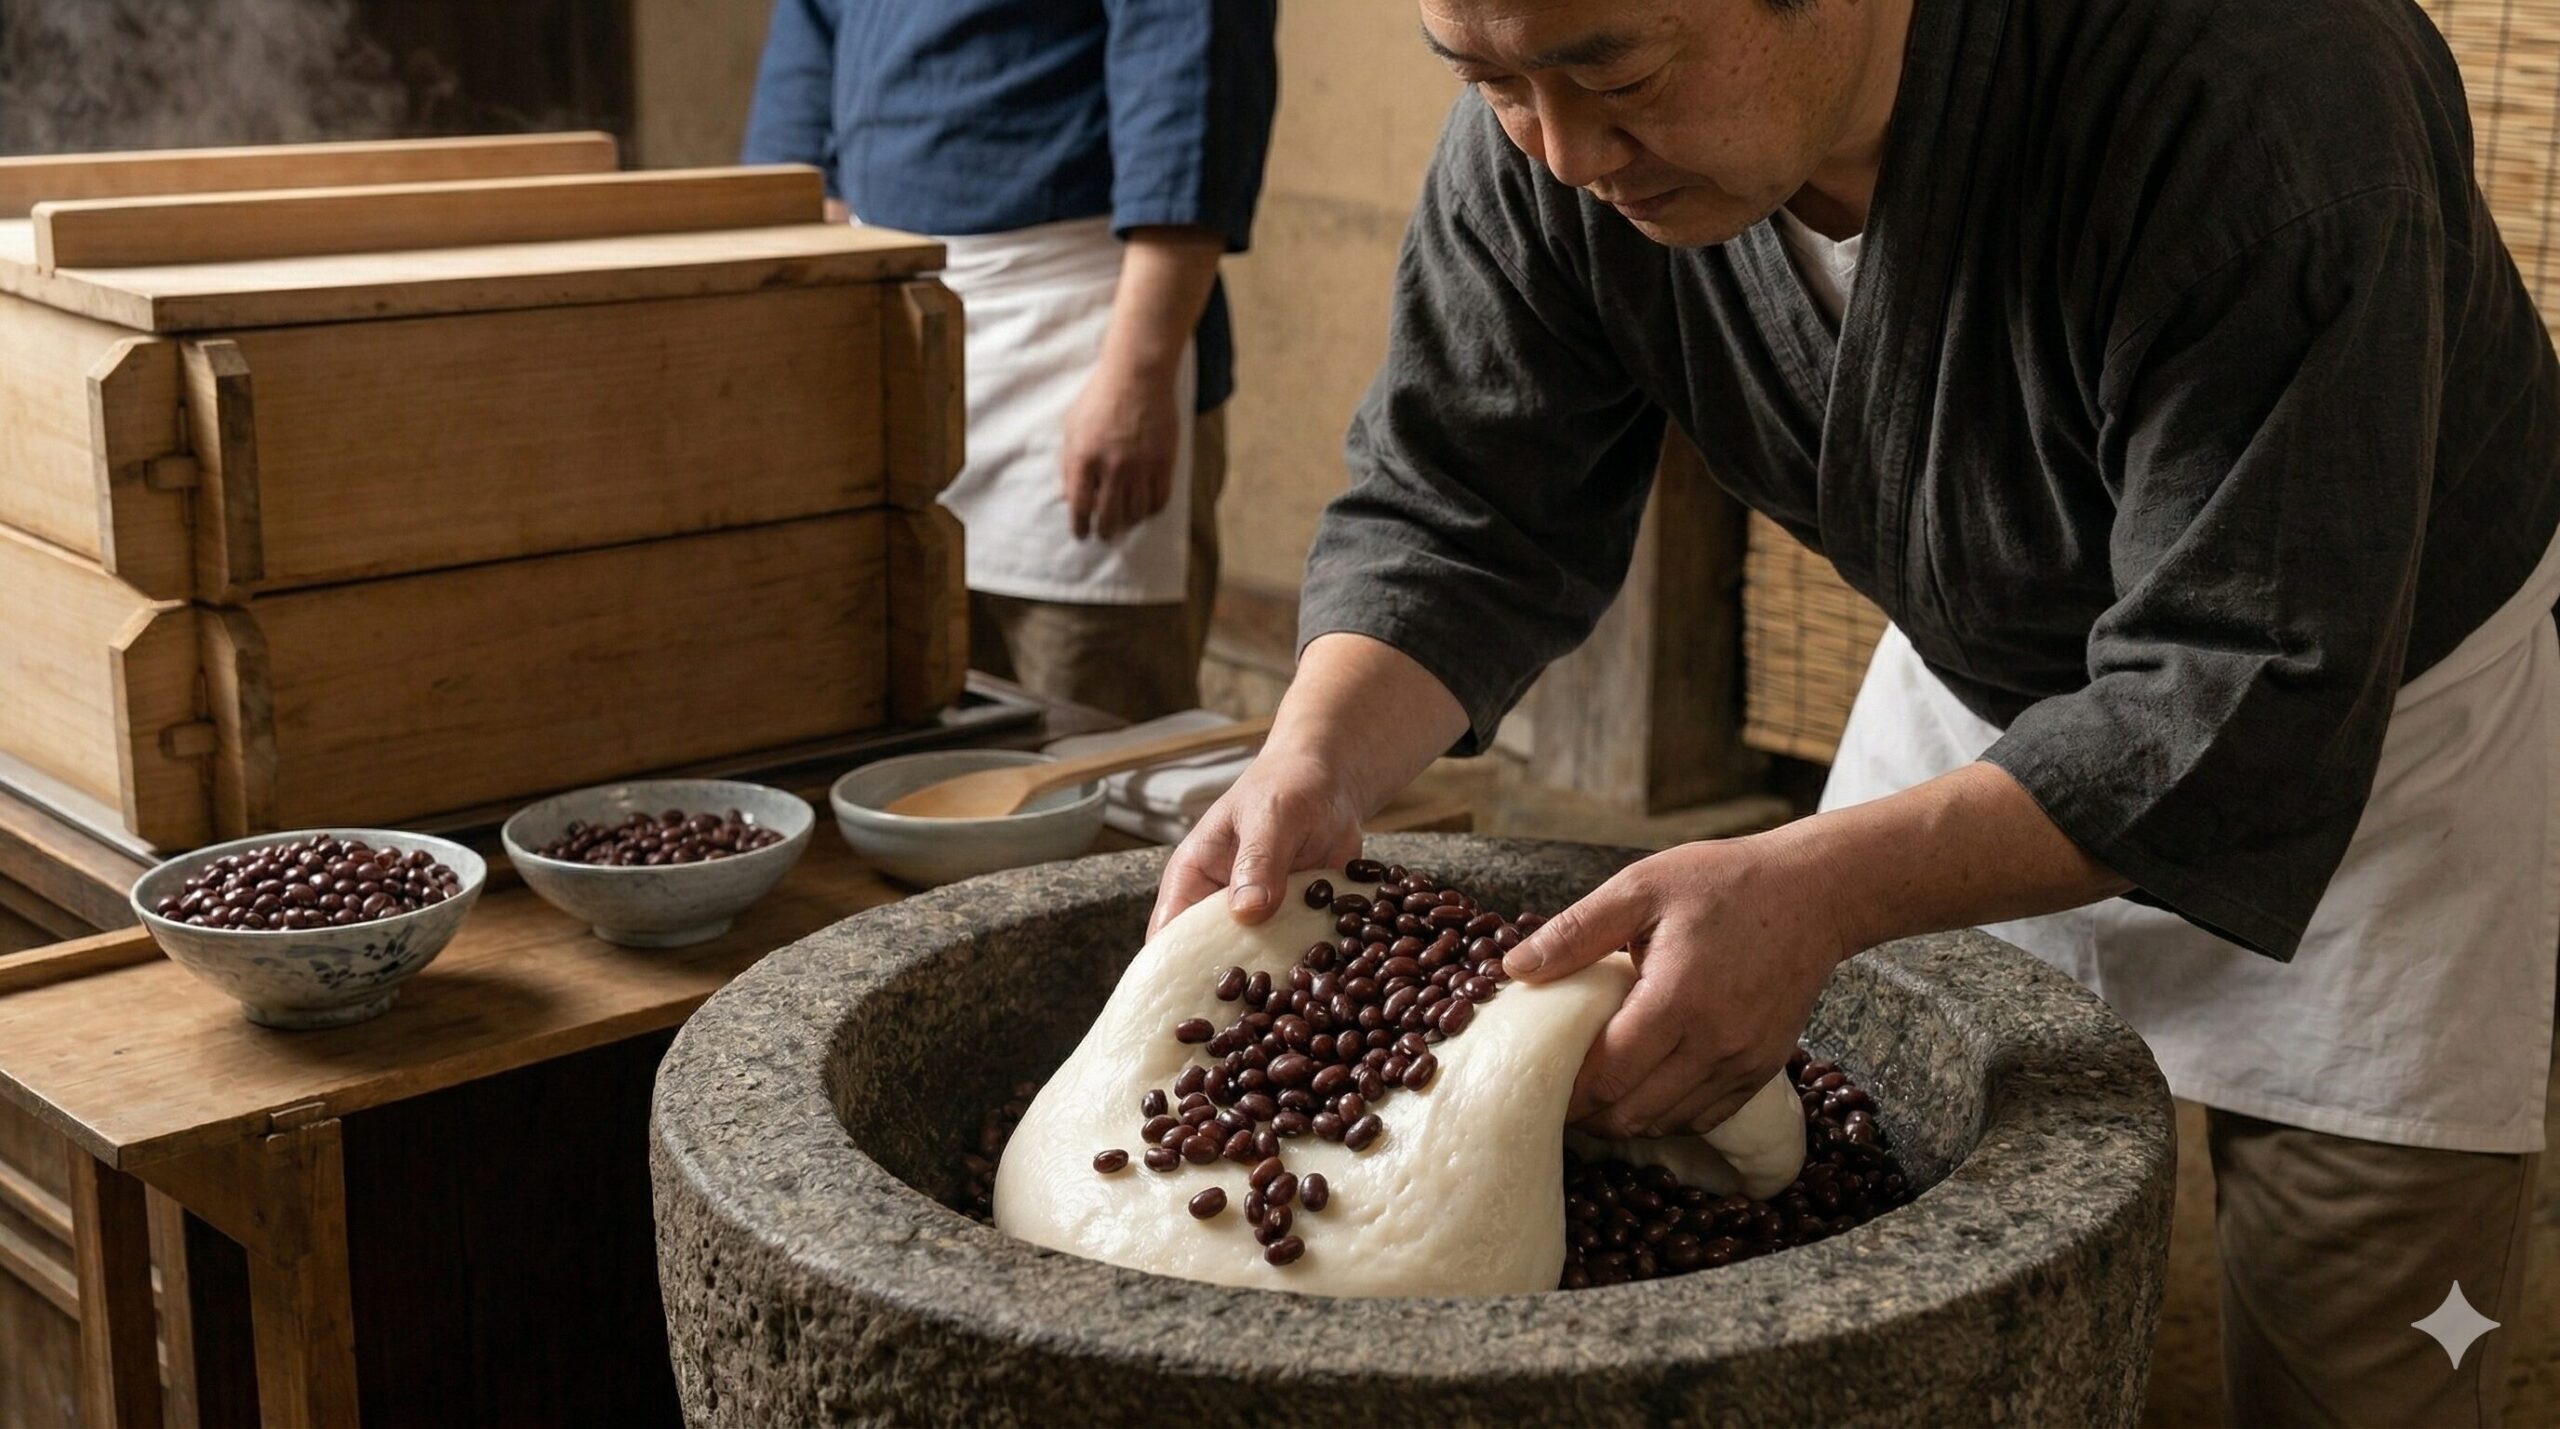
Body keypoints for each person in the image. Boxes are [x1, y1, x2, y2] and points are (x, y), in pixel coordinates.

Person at [1150, 0, 2559, 1422]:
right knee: (1883, 1229)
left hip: (2375, 725)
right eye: (1493, 83)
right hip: (1976, 688)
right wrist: (1317, 755)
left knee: (2365, 1345)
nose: (1567, 154)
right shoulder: (1551, 90)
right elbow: (1463, 504)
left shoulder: (2268, 83)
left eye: (1614, 76)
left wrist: (1817, 893)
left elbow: (2243, 669)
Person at [742, 0, 1279, 721]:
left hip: (1085, 329)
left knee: (1094, 724)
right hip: (884, 314)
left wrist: (1135, 377)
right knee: (919, 717)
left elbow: (1191, 92)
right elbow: (802, 96)